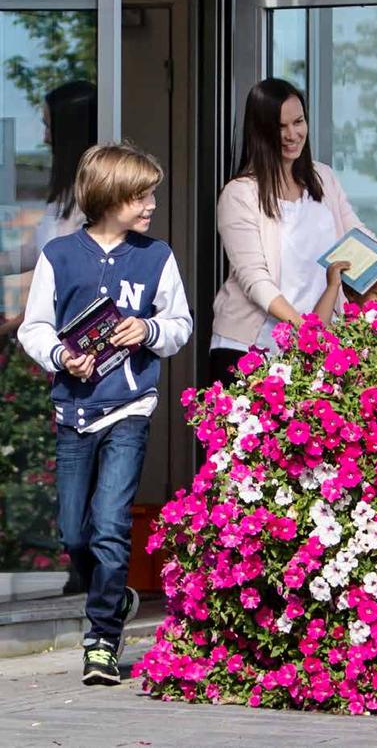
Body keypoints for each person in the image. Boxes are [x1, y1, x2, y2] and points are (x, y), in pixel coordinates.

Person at [18, 143, 192, 686]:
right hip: (74, 410)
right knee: (76, 533)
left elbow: (179, 324)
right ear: (108, 197)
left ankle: (101, 639)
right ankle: (110, 598)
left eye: (152, 195)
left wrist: (149, 330)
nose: (151, 205)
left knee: (112, 527)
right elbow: (34, 327)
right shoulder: (59, 256)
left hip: (130, 407)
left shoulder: (157, 256)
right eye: (141, 196)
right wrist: (59, 355)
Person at [209, 78, 377, 385]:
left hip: (310, 348)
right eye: (281, 126)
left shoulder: (323, 178)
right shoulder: (239, 195)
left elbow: (366, 247)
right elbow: (256, 281)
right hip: (251, 349)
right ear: (262, 131)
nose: (293, 134)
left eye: (299, 121)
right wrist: (307, 331)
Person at [0, 80, 96, 336]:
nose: (44, 137)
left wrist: (21, 322)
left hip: (80, 342)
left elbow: (77, 279)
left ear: (69, 130)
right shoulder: (65, 195)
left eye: (48, 126)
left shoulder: (93, 198)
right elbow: (35, 251)